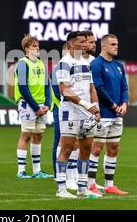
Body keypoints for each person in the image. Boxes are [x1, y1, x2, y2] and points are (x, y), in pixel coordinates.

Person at [55, 31, 101, 199]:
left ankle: (82, 188)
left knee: (86, 150)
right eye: (80, 42)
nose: (84, 44)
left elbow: (91, 88)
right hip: (70, 111)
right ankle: (61, 189)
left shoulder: (87, 63)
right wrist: (87, 105)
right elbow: (64, 90)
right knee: (67, 148)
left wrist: (96, 107)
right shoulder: (64, 63)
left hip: (87, 113)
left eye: (84, 42)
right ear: (70, 45)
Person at [88, 34, 129, 196]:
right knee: (97, 149)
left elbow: (124, 87)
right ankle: (90, 184)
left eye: (117, 44)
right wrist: (113, 105)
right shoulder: (96, 64)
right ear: (103, 46)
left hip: (117, 115)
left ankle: (109, 185)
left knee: (114, 148)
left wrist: (124, 103)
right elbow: (98, 88)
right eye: (113, 44)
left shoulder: (119, 66)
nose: (116, 46)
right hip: (103, 114)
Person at [14, 35, 53, 179]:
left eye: (37, 45)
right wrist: (36, 107)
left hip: (41, 105)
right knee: (26, 135)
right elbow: (23, 88)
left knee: (38, 135)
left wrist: (48, 104)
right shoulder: (23, 63)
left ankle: (37, 170)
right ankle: (21, 171)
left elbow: (46, 85)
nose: (37, 48)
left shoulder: (41, 64)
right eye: (33, 46)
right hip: (28, 104)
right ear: (26, 49)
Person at [51, 43, 68, 178]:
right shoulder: (58, 68)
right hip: (59, 108)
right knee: (59, 141)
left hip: (71, 108)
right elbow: (58, 92)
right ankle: (58, 173)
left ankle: (69, 173)